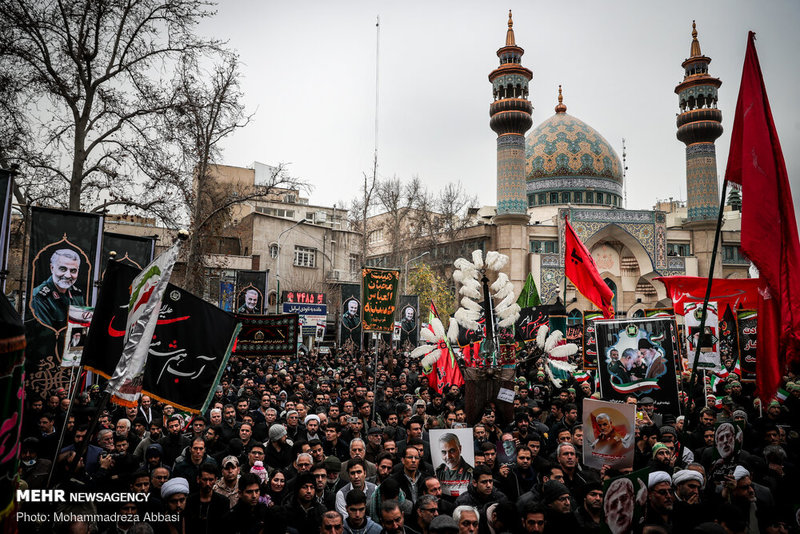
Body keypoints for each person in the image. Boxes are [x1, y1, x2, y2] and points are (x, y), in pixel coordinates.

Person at [30, 248, 86, 328]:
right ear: (52, 268)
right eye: (63, 269)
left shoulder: (77, 294)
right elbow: (46, 334)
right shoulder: (39, 297)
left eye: (73, 271)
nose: (68, 275)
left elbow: (80, 328)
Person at [434, 433, 473, 498]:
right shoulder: (438, 472)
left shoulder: (470, 473)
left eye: (452, 451)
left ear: (460, 449)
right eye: (444, 452)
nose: (448, 456)